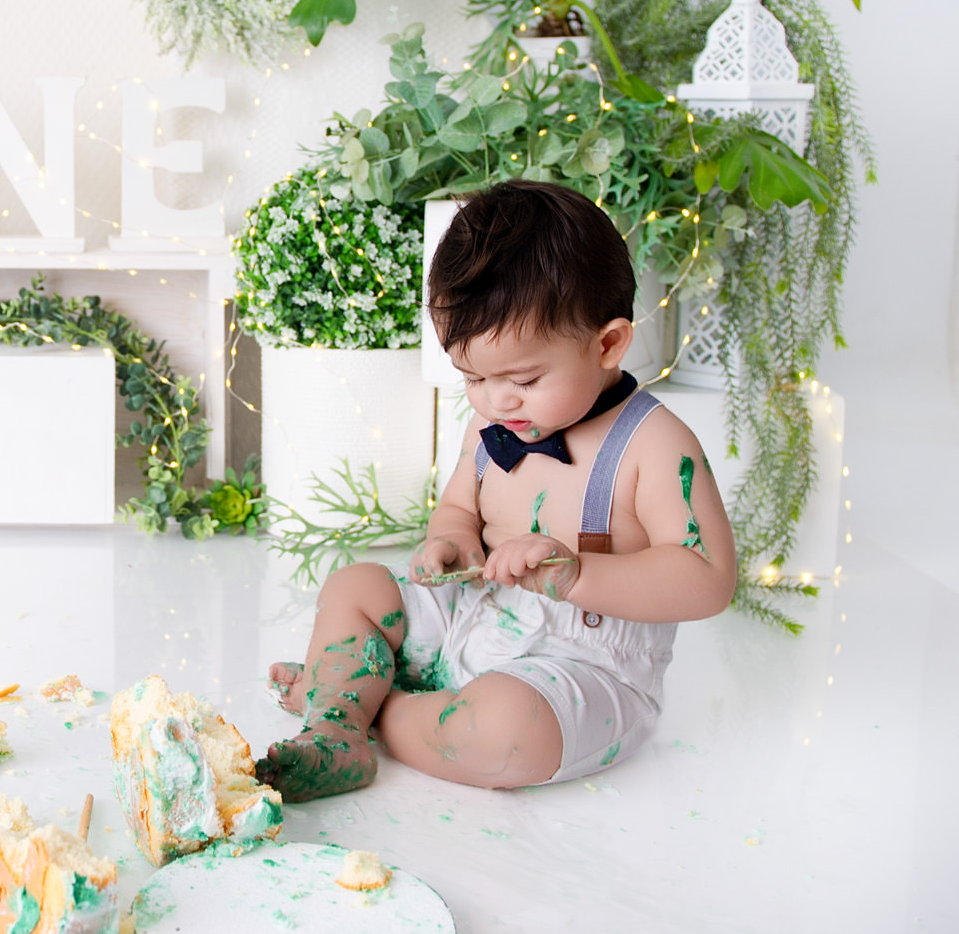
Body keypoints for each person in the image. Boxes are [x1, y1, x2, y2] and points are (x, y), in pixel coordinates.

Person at [256, 180, 737, 800]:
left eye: (524, 378)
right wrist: (450, 541)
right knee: (357, 587)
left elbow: (707, 577)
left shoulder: (655, 446)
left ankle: (357, 707)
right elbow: (459, 506)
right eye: (472, 376)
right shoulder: (492, 421)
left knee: (505, 733)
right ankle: (337, 728)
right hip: (472, 611)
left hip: (581, 663)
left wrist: (578, 576)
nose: (495, 398)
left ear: (608, 343)